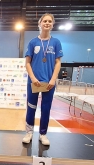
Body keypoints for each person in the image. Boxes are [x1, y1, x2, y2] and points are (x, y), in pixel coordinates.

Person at [22, 13, 63, 146]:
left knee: (46, 109)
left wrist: (53, 79)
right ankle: (29, 132)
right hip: (34, 82)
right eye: (44, 21)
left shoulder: (56, 42)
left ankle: (43, 134)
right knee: (31, 107)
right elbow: (27, 63)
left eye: (49, 21)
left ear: (52, 24)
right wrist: (33, 78)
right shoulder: (33, 42)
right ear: (39, 23)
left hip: (49, 83)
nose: (47, 23)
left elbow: (58, 63)